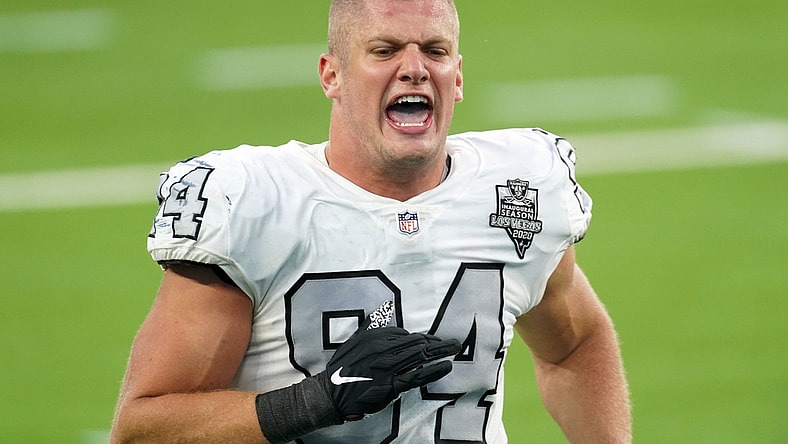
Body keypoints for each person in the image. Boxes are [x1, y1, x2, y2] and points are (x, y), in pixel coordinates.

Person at [111, 0, 632, 442]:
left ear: (458, 76)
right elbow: (143, 428)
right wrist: (316, 400)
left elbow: (575, 346)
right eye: (384, 51)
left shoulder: (517, 188)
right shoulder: (252, 201)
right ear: (331, 74)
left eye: (435, 50)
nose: (414, 68)